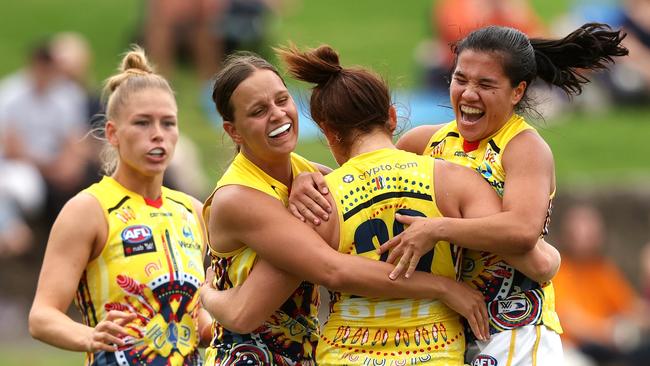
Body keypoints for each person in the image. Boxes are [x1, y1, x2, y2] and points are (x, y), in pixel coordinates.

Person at [199, 46, 560, 365]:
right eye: (259, 110)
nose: (277, 114)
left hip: (342, 352)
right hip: (447, 347)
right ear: (392, 117)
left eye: (281, 100)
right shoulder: (454, 176)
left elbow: (363, 191)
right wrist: (443, 284)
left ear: (327, 132)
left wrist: (207, 294)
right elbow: (540, 263)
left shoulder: (319, 195)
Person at [373, 23, 627, 364]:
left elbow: (522, 231)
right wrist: (305, 179)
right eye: (460, 79)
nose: (468, 94)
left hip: (516, 329)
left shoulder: (524, 148)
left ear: (517, 91)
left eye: (486, 84)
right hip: (445, 330)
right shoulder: (422, 142)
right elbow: (364, 186)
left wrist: (437, 228)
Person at [28, 46, 212, 365]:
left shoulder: (194, 211)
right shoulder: (88, 209)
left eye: (168, 123)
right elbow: (42, 316)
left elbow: (201, 321)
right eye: (142, 123)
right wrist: (89, 337)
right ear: (112, 133)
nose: (158, 135)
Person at [554, 203, 650, 366]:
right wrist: (609, 332)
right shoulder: (558, 270)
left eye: (591, 231)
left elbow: (631, 307)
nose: (585, 237)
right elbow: (567, 319)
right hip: (570, 348)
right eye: (580, 230)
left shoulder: (603, 270)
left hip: (604, 348)